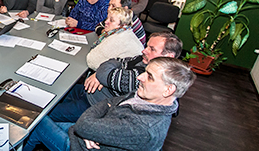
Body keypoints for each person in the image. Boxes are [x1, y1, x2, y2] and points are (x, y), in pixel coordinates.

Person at [21, 57, 196, 151]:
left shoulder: (144, 128)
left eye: (149, 77)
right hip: (87, 140)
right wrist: (92, 129)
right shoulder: (148, 98)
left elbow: (85, 124)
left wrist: (90, 128)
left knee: (38, 118)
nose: (140, 77)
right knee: (44, 118)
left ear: (168, 90)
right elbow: (109, 101)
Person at [47, 32, 182, 123]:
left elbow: (106, 70)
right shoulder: (143, 60)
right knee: (56, 90)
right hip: (91, 90)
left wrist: (102, 74)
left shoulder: (147, 78)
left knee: (46, 114)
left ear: (168, 57)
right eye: (147, 46)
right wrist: (102, 74)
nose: (144, 51)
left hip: (94, 106)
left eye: (152, 49)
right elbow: (114, 61)